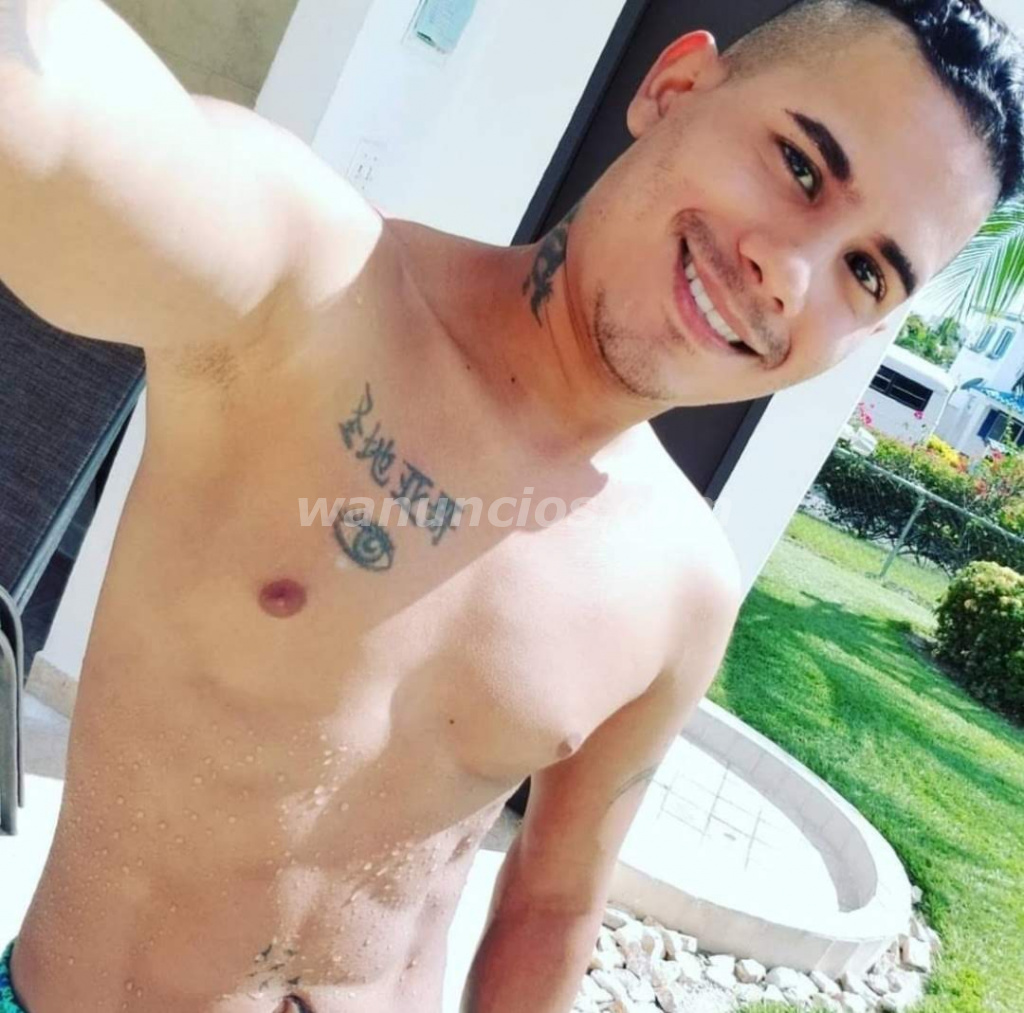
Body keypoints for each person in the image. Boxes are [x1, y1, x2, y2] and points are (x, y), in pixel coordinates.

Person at [1, 0, 1022, 1010]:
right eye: (799, 165)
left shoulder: (684, 588)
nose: (789, 276)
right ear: (673, 89)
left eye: (865, 270)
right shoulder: (314, 293)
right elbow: (59, 127)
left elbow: (553, 904)